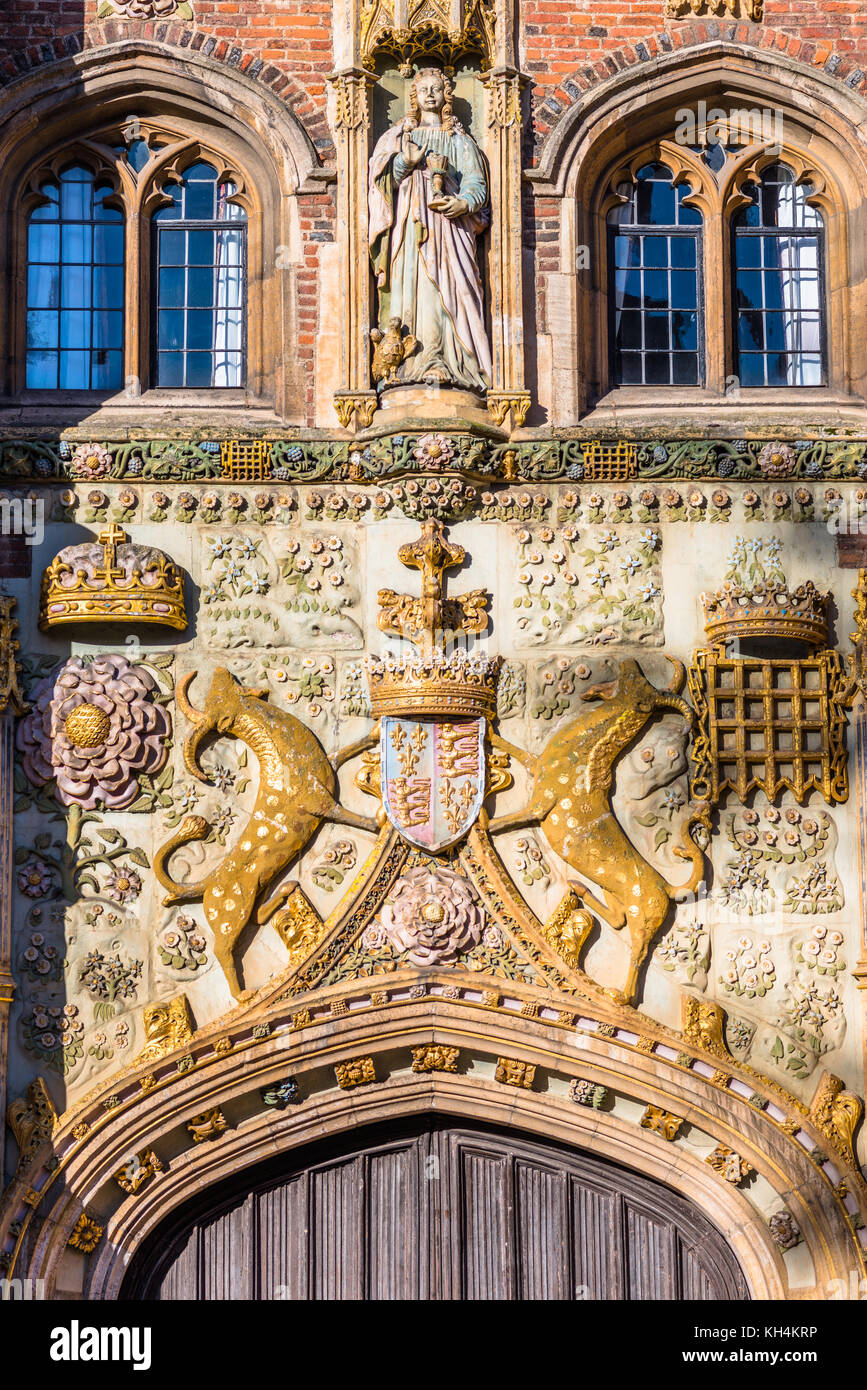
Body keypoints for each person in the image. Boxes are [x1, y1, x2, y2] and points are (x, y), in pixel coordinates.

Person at [368, 67, 492, 392]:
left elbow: (477, 184)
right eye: (423, 89)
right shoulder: (399, 137)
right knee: (413, 283)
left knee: (449, 290)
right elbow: (380, 183)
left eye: (436, 89)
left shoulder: (460, 141)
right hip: (410, 224)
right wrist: (405, 162)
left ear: (446, 96)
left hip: (449, 227)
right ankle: (409, 363)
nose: (430, 94)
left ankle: (452, 362)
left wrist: (462, 204)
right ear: (414, 96)